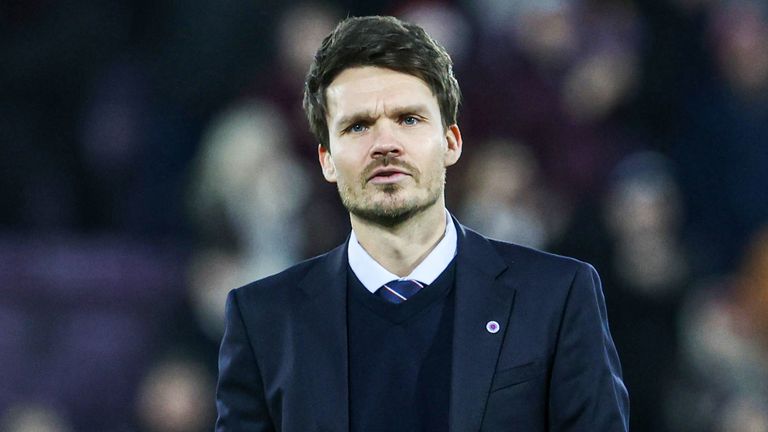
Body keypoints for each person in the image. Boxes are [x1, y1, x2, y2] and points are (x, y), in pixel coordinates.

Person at [215, 15, 629, 431]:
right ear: (326, 159)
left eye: (409, 119)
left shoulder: (556, 298)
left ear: (451, 142)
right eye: (358, 126)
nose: (385, 145)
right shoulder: (263, 320)